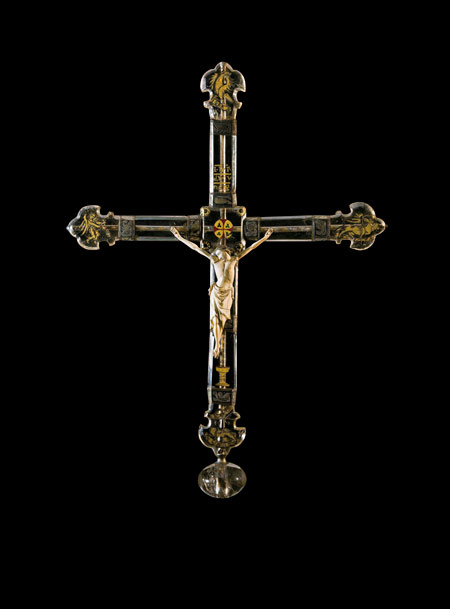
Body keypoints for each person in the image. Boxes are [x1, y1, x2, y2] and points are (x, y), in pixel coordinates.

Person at [170, 227, 273, 358]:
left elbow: (251, 247)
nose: (222, 252)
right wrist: (179, 237)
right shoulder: (215, 260)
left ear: (228, 251)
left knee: (222, 319)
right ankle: (217, 346)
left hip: (227, 293)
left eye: (224, 250)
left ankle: (217, 345)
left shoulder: (234, 259)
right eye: (219, 251)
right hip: (217, 292)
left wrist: (265, 238)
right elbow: (195, 248)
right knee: (215, 318)